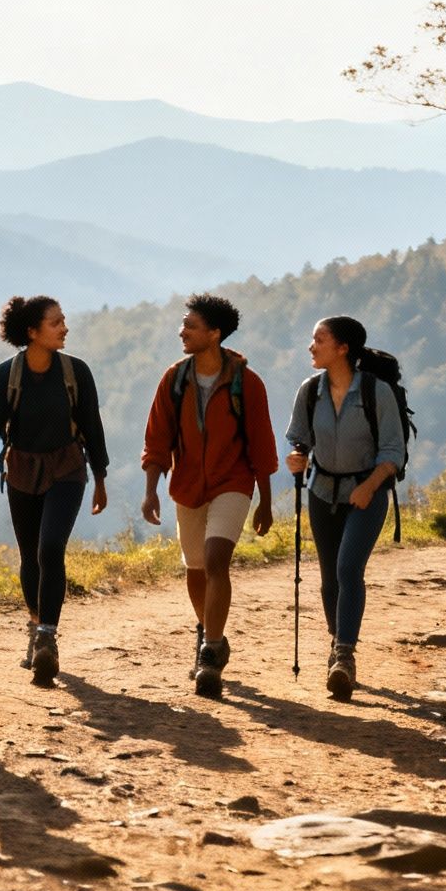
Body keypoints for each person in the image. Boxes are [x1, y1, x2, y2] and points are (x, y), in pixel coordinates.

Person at [141, 293, 277, 698]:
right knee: (196, 569)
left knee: (217, 560)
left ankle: (211, 654)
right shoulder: (174, 379)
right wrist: (151, 491)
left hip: (232, 482)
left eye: (190, 326)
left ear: (214, 334)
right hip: (187, 486)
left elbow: (261, 445)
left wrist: (266, 501)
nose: (181, 331)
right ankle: (208, 631)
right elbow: (157, 439)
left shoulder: (246, 383)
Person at [0, 296, 110, 686]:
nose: (65, 328)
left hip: (67, 468)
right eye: (56, 322)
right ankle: (35, 626)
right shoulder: (5, 375)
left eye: (63, 320)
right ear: (32, 332)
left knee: (50, 547)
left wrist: (100, 477)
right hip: (21, 471)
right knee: (31, 555)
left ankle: (47, 636)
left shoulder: (76, 372)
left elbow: (91, 425)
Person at [284, 315, 405, 701]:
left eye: (319, 340)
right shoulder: (310, 391)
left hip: (366, 492)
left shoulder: (376, 392)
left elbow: (393, 451)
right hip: (322, 492)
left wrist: (370, 486)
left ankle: (345, 656)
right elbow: (300, 440)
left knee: (348, 568)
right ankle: (338, 647)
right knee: (329, 577)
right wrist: (297, 458)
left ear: (342, 348)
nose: (311, 346)